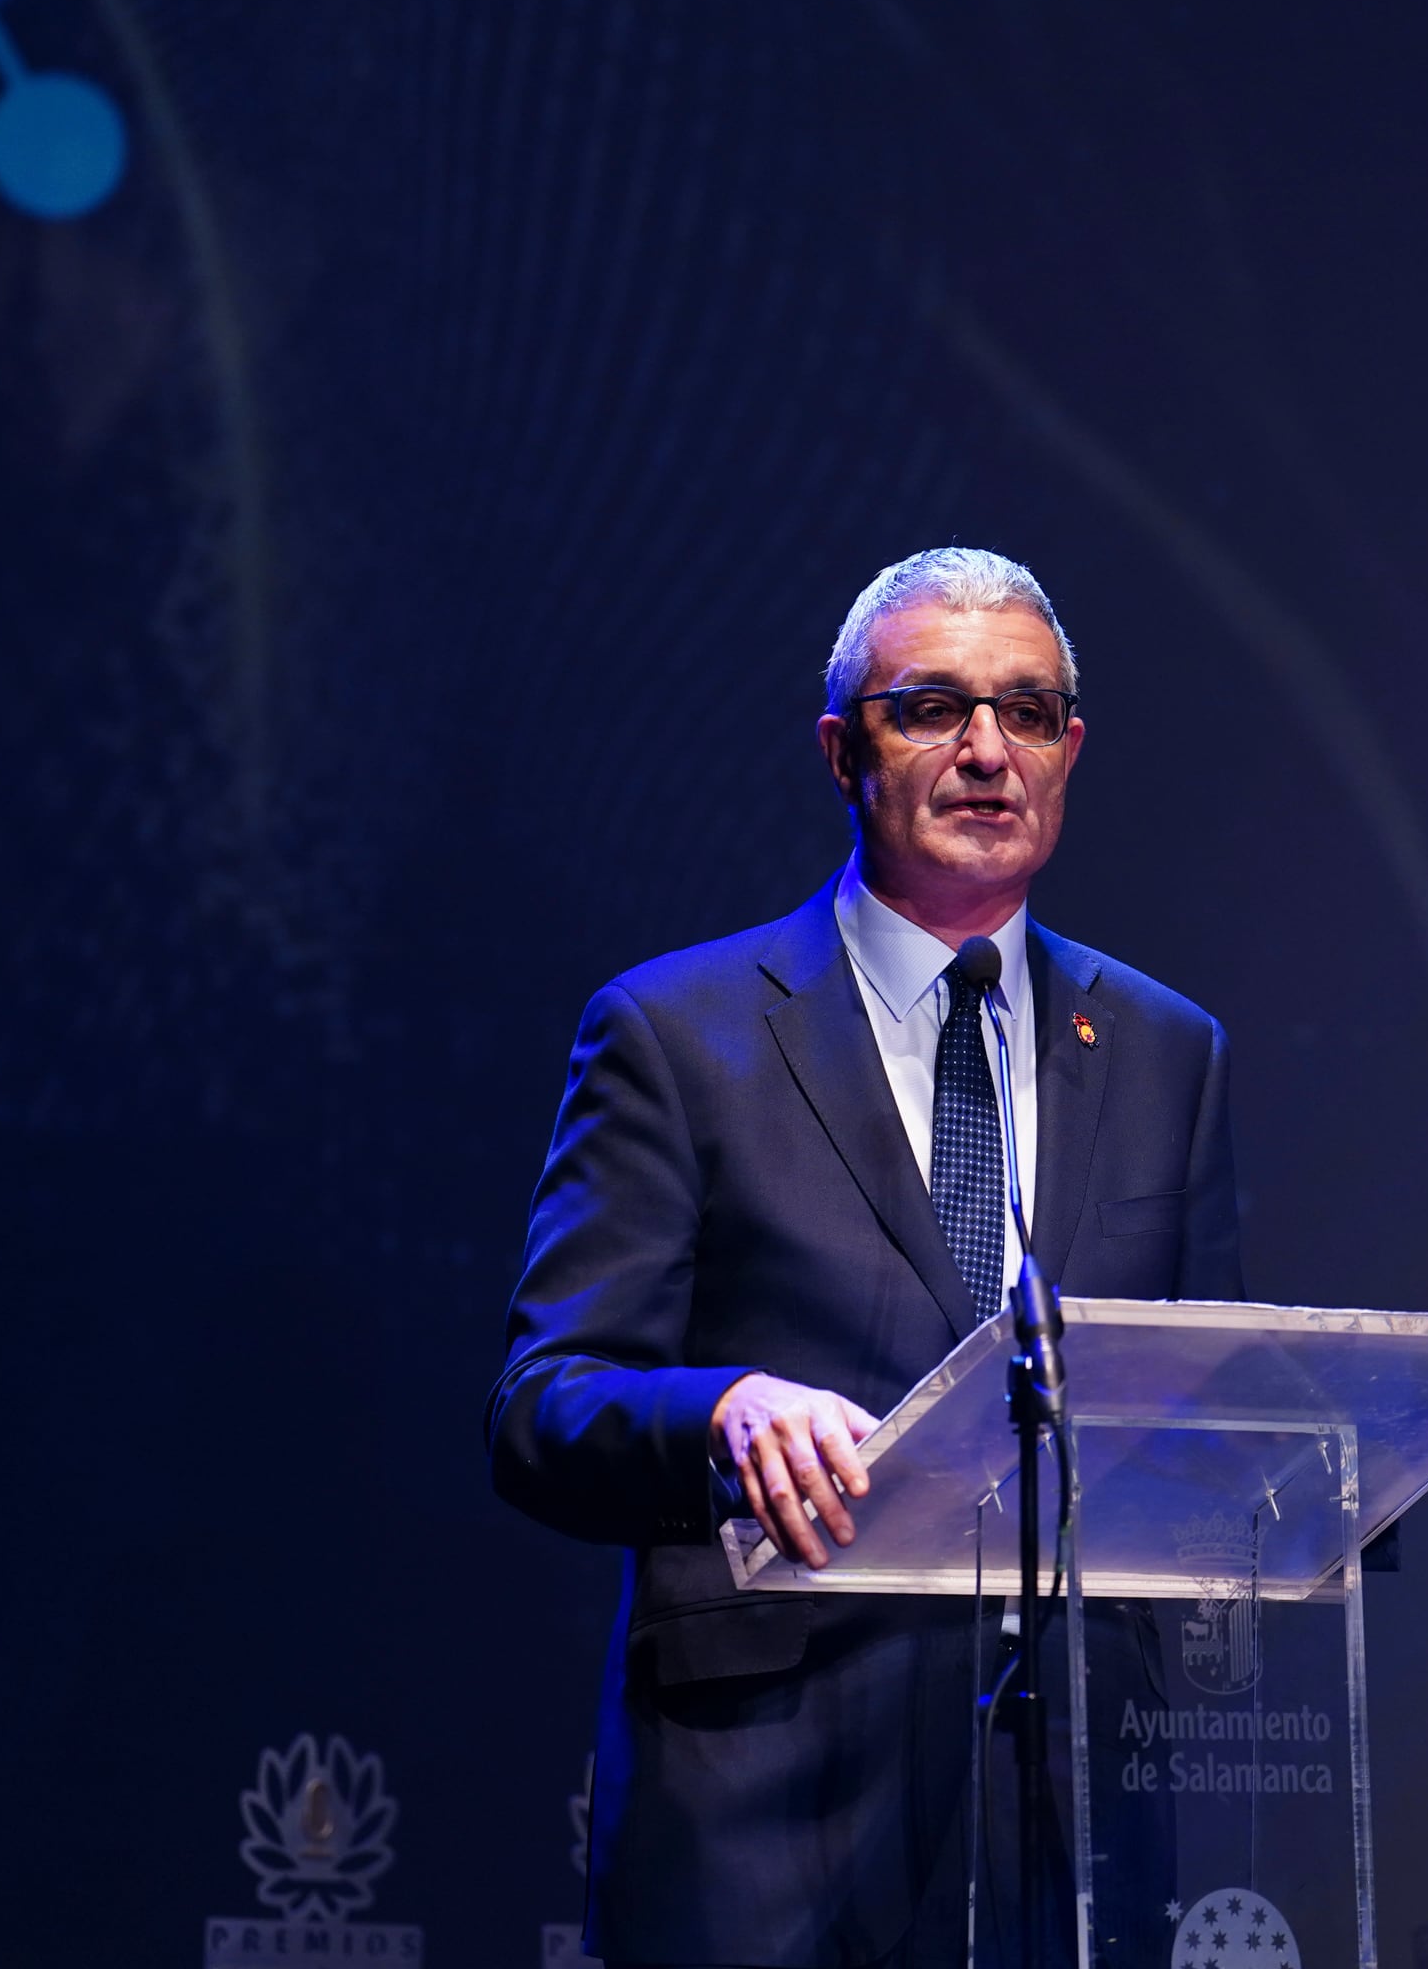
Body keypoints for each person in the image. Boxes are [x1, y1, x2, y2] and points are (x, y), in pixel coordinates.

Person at [488, 546, 1242, 1969]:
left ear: (1071, 750)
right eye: (931, 709)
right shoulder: (677, 1035)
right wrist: (719, 1409)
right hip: (770, 1831)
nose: (984, 752)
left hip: (1065, 1840)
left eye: (1027, 712)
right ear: (844, 751)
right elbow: (543, 1405)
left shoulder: (1164, 1052)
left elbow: (1220, 1410)